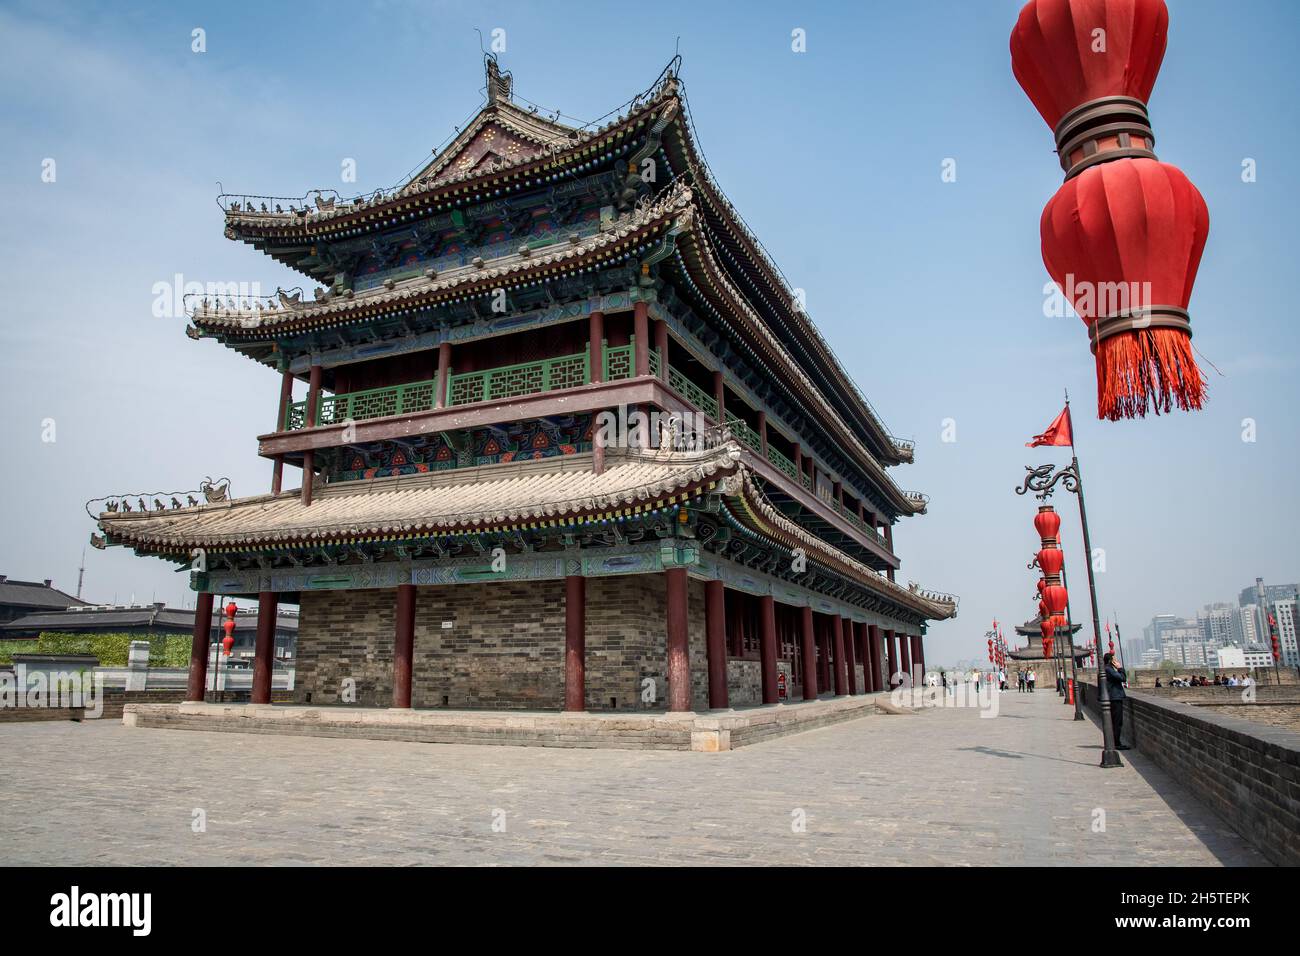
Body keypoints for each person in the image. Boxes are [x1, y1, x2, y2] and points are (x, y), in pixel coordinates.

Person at [1103, 652, 1129, 750]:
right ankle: (1116, 743)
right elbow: (1122, 678)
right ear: (1111, 661)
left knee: (1115, 721)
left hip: (1111, 697)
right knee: (1117, 722)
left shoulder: (1104, 669)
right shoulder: (1109, 669)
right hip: (1114, 698)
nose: (1116, 661)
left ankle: (1115, 742)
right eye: (1115, 660)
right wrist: (1120, 668)